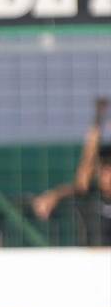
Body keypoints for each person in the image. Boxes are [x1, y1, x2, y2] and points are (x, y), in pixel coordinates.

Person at [31, 97, 111, 247]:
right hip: (93, 259)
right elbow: (87, 162)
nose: (108, 176)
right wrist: (52, 196)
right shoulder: (91, 194)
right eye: (105, 171)